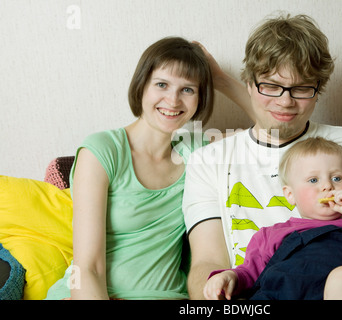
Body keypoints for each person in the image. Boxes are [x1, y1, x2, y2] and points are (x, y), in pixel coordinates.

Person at [183, 13, 342, 299]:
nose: (285, 101)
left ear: (318, 90)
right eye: (270, 86)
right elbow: (206, 263)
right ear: (249, 84)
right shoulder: (207, 160)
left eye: (301, 89)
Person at [45, 37, 216, 300]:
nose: (173, 100)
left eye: (188, 89)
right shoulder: (102, 150)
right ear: (142, 87)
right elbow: (87, 267)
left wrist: (220, 78)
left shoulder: (196, 153)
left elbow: (272, 134)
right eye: (162, 84)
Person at [203, 137, 342, 300]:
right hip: (276, 293)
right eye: (313, 179)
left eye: (337, 178)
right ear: (290, 195)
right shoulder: (272, 234)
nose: (327, 186)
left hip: (337, 290)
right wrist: (229, 277)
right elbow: (249, 273)